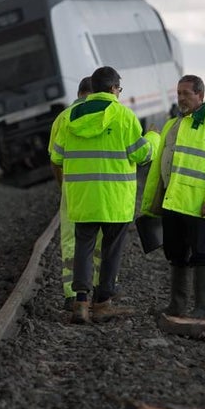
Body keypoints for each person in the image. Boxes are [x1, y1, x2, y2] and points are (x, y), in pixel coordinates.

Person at [51, 66, 161, 324]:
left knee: (83, 246)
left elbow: (57, 157)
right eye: (119, 89)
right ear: (113, 88)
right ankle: (102, 304)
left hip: (83, 197)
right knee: (111, 250)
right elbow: (142, 154)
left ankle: (80, 302)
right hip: (115, 199)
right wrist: (154, 138)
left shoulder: (69, 117)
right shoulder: (123, 115)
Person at [140, 74, 205, 319]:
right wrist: (153, 201)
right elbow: (159, 167)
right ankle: (177, 306)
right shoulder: (172, 124)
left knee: (201, 252)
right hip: (172, 202)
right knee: (176, 254)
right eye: (178, 93)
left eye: (186, 94)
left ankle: (203, 308)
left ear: (200, 95)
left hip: (198, 204)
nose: (181, 98)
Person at [49, 76, 101, 308]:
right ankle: (101, 291)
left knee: (71, 239)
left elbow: (55, 159)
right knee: (101, 239)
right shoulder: (108, 113)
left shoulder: (62, 118)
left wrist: (63, 185)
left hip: (73, 188)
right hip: (102, 188)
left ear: (79, 92)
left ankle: (72, 295)